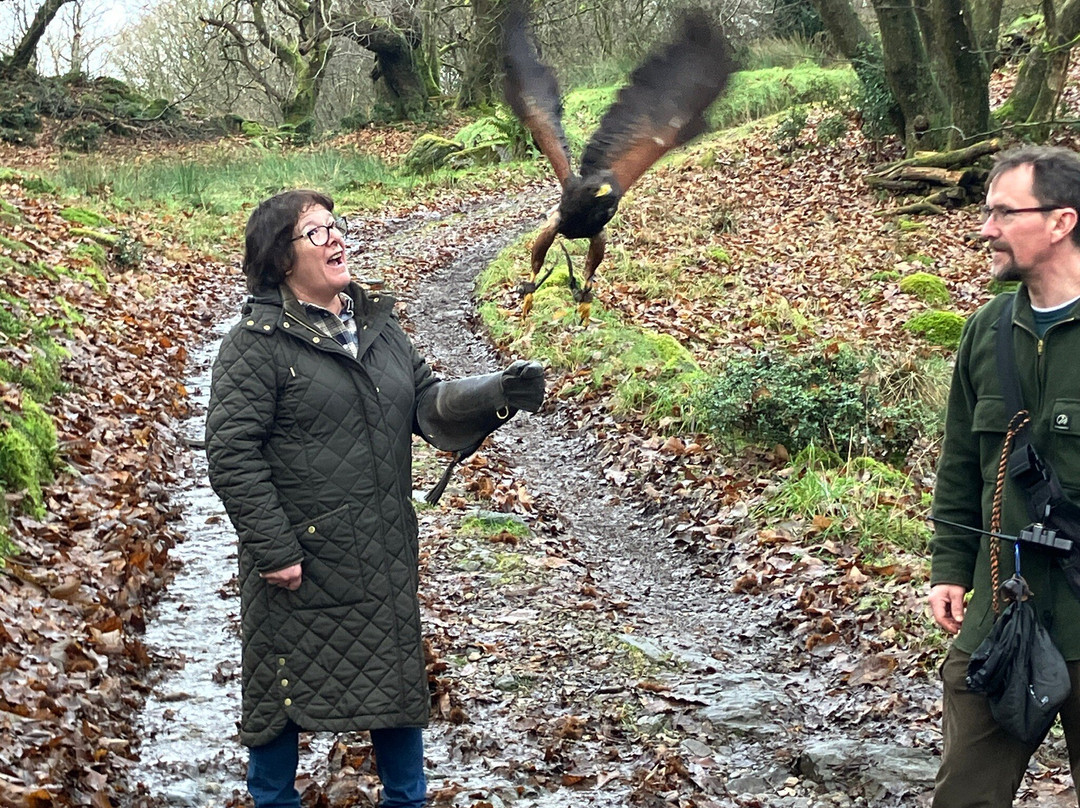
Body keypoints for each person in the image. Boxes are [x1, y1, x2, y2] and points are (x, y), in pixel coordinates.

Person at [205, 189, 545, 808]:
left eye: (336, 227)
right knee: (278, 706)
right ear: (281, 259)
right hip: (297, 567)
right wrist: (275, 550)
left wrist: (497, 389)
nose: (336, 239)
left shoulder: (378, 329)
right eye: (316, 233)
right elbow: (231, 453)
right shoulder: (254, 345)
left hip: (381, 553)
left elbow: (427, 402)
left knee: (393, 695)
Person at [930, 145, 1080, 806]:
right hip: (1001, 612)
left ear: (1060, 222)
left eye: (1002, 212)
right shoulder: (987, 331)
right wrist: (948, 568)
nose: (984, 228)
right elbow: (961, 464)